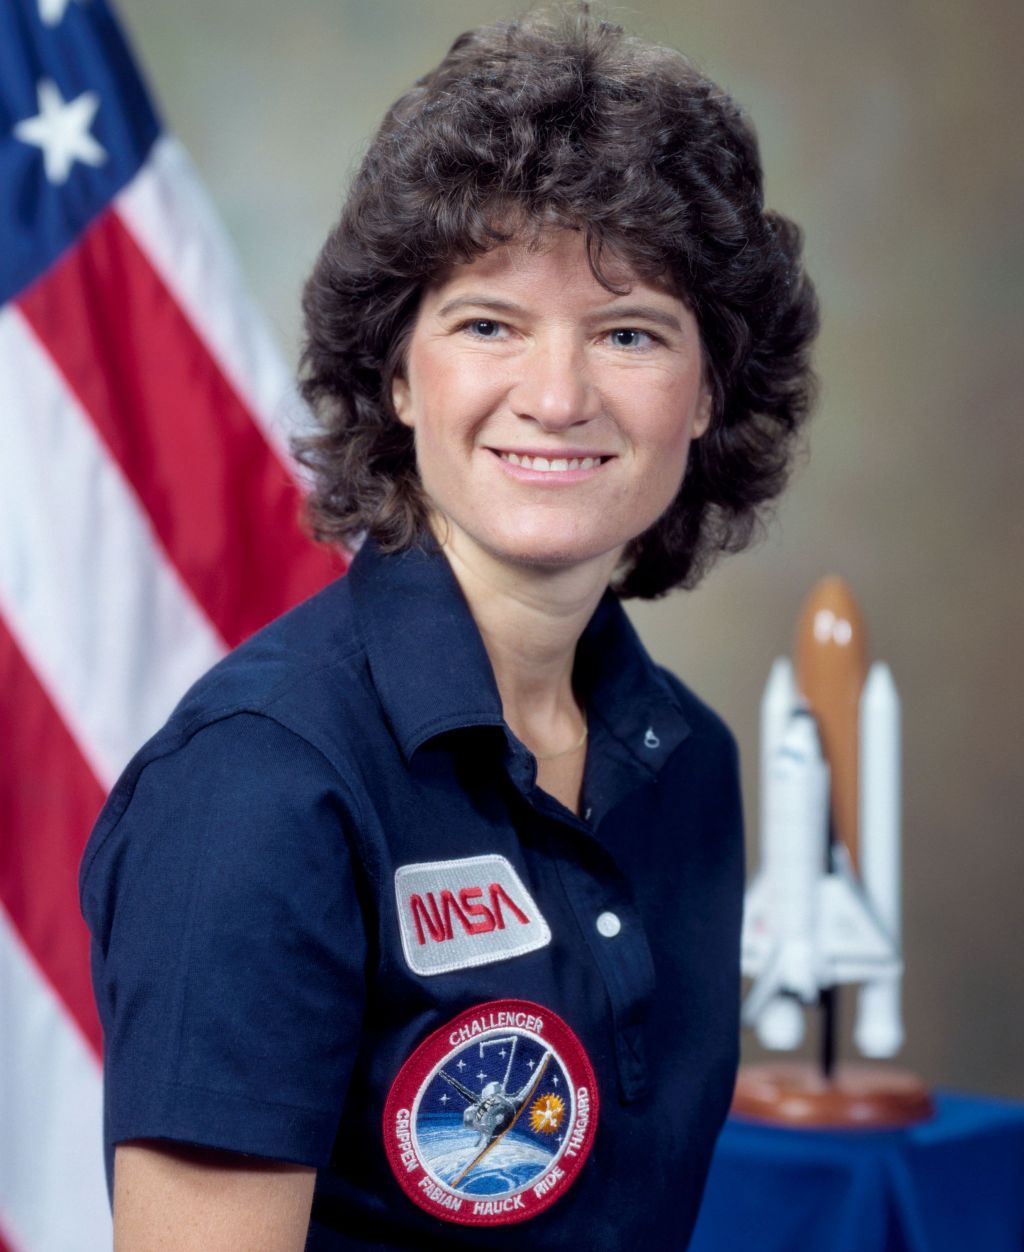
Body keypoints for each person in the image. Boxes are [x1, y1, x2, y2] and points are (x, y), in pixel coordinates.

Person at [80, 7, 817, 1249]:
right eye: (488, 323)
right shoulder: (261, 783)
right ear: (397, 373)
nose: (556, 395)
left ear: (706, 398)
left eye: (629, 332)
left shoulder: (685, 761)